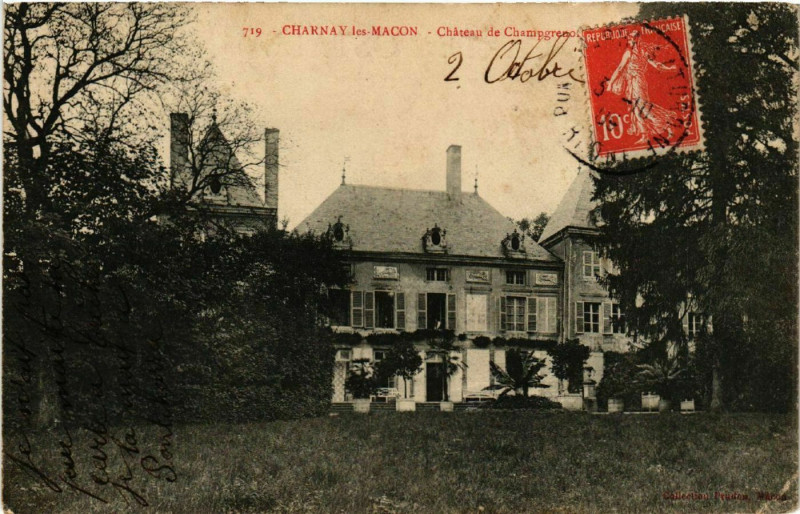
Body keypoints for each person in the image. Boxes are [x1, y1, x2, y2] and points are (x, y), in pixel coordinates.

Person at [608, 30, 677, 144]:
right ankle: (645, 134)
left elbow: (620, 68)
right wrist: (669, 68)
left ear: (635, 40)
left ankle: (667, 123)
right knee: (636, 111)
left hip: (636, 82)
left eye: (631, 39)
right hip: (637, 82)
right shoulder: (644, 51)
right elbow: (657, 65)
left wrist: (611, 83)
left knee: (643, 108)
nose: (629, 42)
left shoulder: (629, 53)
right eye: (629, 39)